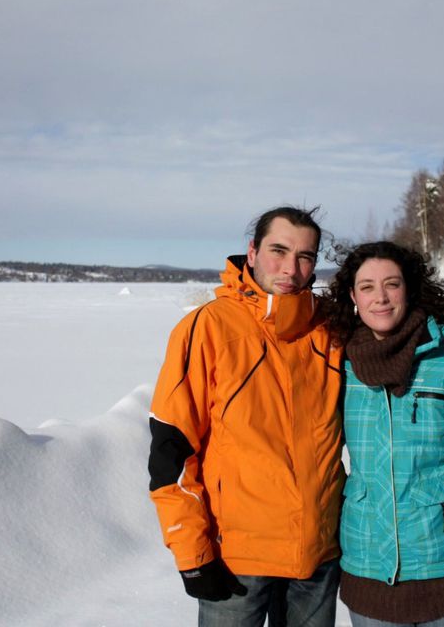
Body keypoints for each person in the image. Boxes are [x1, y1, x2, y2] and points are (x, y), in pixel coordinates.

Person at [148, 206, 345, 627]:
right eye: (279, 250)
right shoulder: (210, 327)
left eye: (306, 256)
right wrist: (192, 554)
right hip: (237, 560)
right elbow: (172, 450)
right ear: (252, 253)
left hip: (318, 555)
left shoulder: (330, 328)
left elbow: (393, 326)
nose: (291, 268)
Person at [323, 241, 444, 627]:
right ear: (352, 296)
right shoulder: (335, 367)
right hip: (367, 569)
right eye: (367, 287)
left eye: (391, 284)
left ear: (409, 288)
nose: (380, 297)